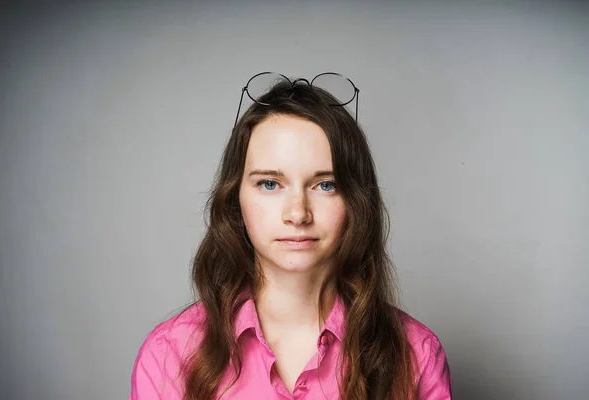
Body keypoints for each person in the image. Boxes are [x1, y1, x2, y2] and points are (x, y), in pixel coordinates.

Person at [129, 73, 452, 399]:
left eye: (325, 185)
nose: (298, 214)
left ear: (355, 200)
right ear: (235, 197)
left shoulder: (416, 355)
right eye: (270, 184)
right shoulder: (169, 356)